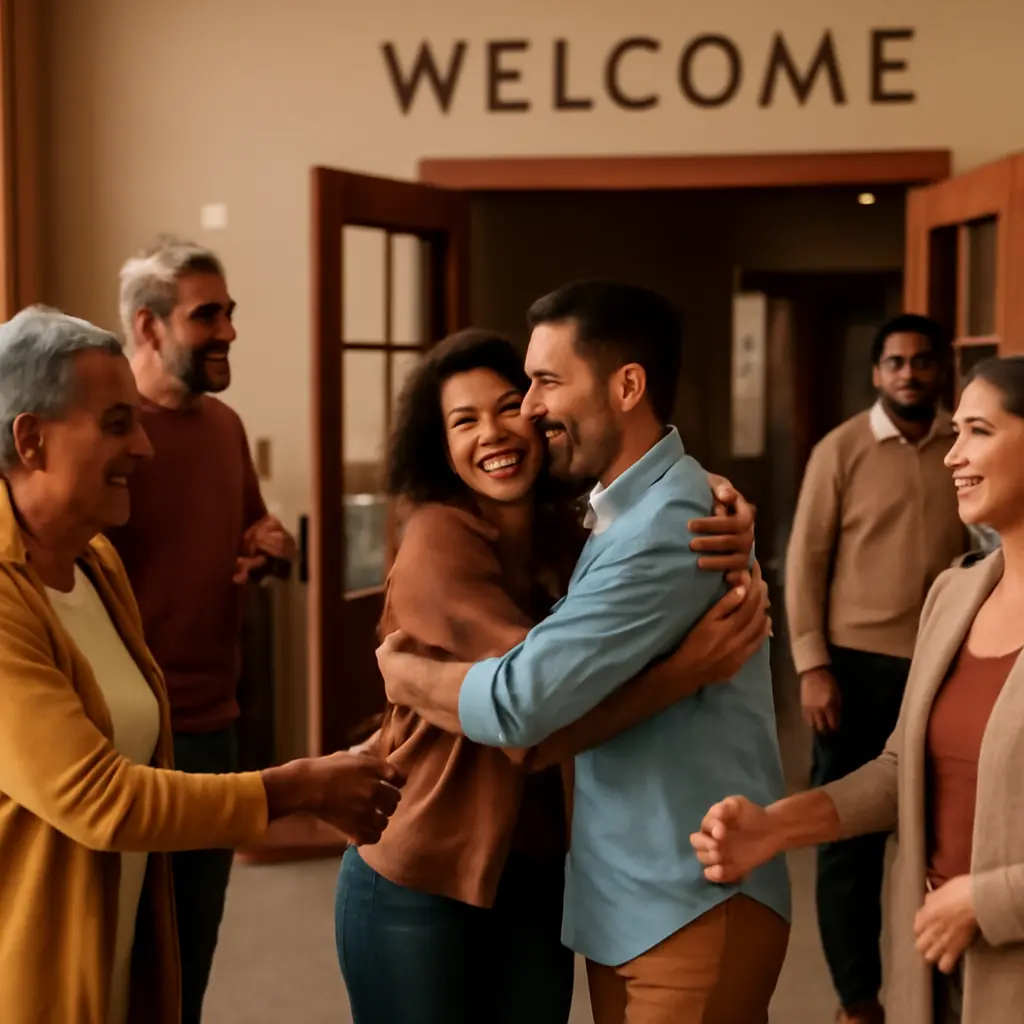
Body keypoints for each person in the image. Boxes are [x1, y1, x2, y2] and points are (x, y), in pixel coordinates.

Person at [377, 282, 791, 1024]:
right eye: (466, 418)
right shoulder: (620, 516)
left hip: (684, 897)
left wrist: (404, 674)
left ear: (627, 385)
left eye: (540, 385)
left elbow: (519, 704)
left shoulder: (669, 524)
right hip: (612, 899)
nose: (528, 411)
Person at [0, 306, 403, 1024]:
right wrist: (297, 786)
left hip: (115, 953)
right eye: (117, 423)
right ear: (31, 439)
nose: (147, 447)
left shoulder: (95, 562)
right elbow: (102, 800)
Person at [692, 355, 1024, 1024]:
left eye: (979, 432)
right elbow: (900, 771)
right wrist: (773, 826)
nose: (952, 455)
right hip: (936, 971)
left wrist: (984, 902)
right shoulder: (955, 593)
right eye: (953, 432)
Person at [106, 237, 294, 1024]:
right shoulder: (104, 436)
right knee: (115, 964)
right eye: (205, 316)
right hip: (122, 740)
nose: (228, 331)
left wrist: (272, 545)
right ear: (148, 328)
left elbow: (252, 528)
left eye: (229, 313)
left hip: (212, 734)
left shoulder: (225, 428)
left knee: (192, 959)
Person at [785, 313, 967, 1023]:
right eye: (896, 362)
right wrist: (812, 666)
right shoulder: (842, 449)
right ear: (876, 373)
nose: (910, 374)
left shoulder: (967, 443)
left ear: (941, 368)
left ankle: (939, 989)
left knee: (939, 835)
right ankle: (858, 1001)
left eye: (923, 361)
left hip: (945, 662)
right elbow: (805, 563)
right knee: (850, 847)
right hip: (854, 671)